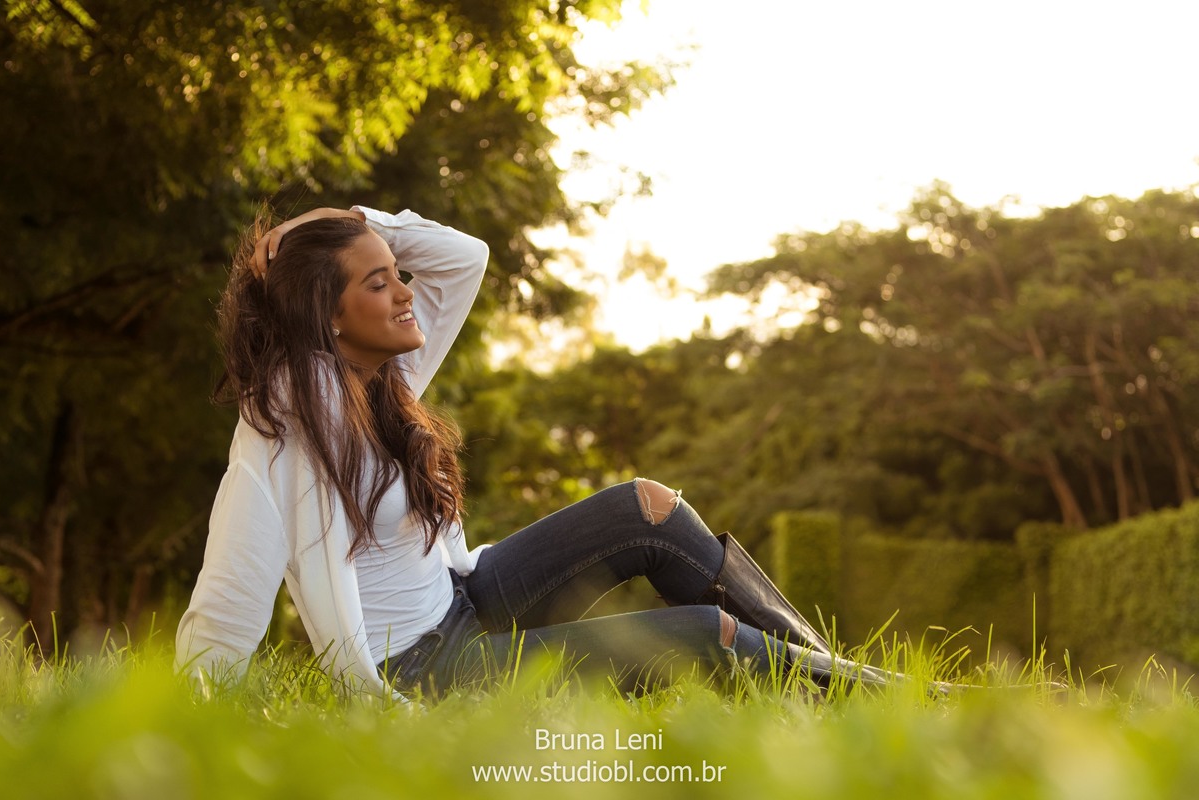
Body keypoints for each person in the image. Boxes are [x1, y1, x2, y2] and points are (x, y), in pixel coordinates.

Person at [175, 204, 897, 698]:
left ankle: (838, 674)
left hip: (467, 596)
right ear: (328, 316)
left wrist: (365, 224)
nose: (405, 292)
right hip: (425, 671)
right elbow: (231, 586)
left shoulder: (379, 377)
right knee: (712, 634)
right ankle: (883, 696)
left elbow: (464, 259)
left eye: (398, 273)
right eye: (379, 282)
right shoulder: (289, 426)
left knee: (649, 506)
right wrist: (198, 703)